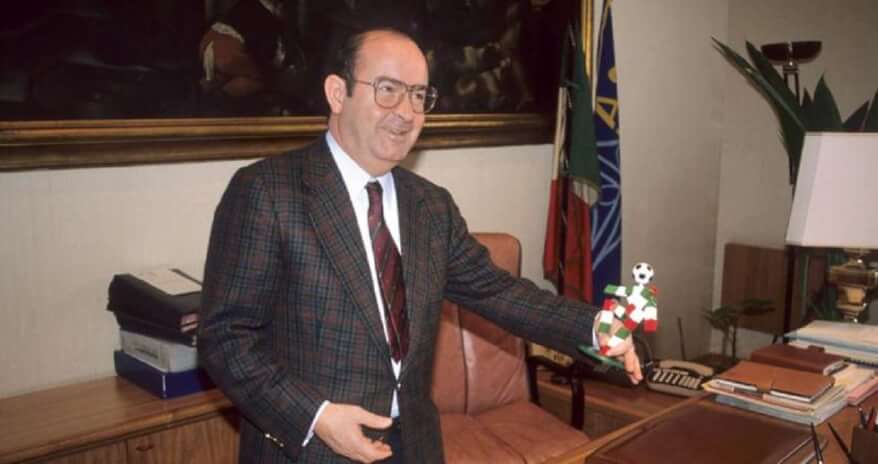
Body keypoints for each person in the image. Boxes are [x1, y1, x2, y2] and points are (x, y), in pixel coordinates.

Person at [199, 28, 641, 464]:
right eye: (388, 90)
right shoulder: (267, 193)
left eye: (418, 95)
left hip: (414, 445)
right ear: (337, 93)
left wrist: (596, 327)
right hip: (311, 450)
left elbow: (499, 291)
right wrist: (317, 417)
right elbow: (225, 338)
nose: (407, 112)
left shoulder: (430, 206)